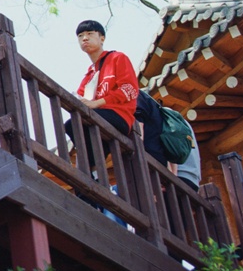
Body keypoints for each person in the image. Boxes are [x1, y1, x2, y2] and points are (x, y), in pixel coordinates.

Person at [67, 19, 139, 173]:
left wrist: (98, 102)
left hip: (119, 115)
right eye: (80, 36)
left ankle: (92, 171)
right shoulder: (89, 75)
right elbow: (80, 97)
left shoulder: (117, 58)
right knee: (70, 125)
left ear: (102, 38)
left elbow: (130, 89)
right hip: (97, 118)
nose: (84, 38)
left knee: (81, 123)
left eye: (89, 34)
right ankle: (93, 172)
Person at [133, 91, 168, 166]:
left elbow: (139, 130)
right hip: (160, 159)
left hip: (147, 158)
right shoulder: (152, 102)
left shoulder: (136, 95)